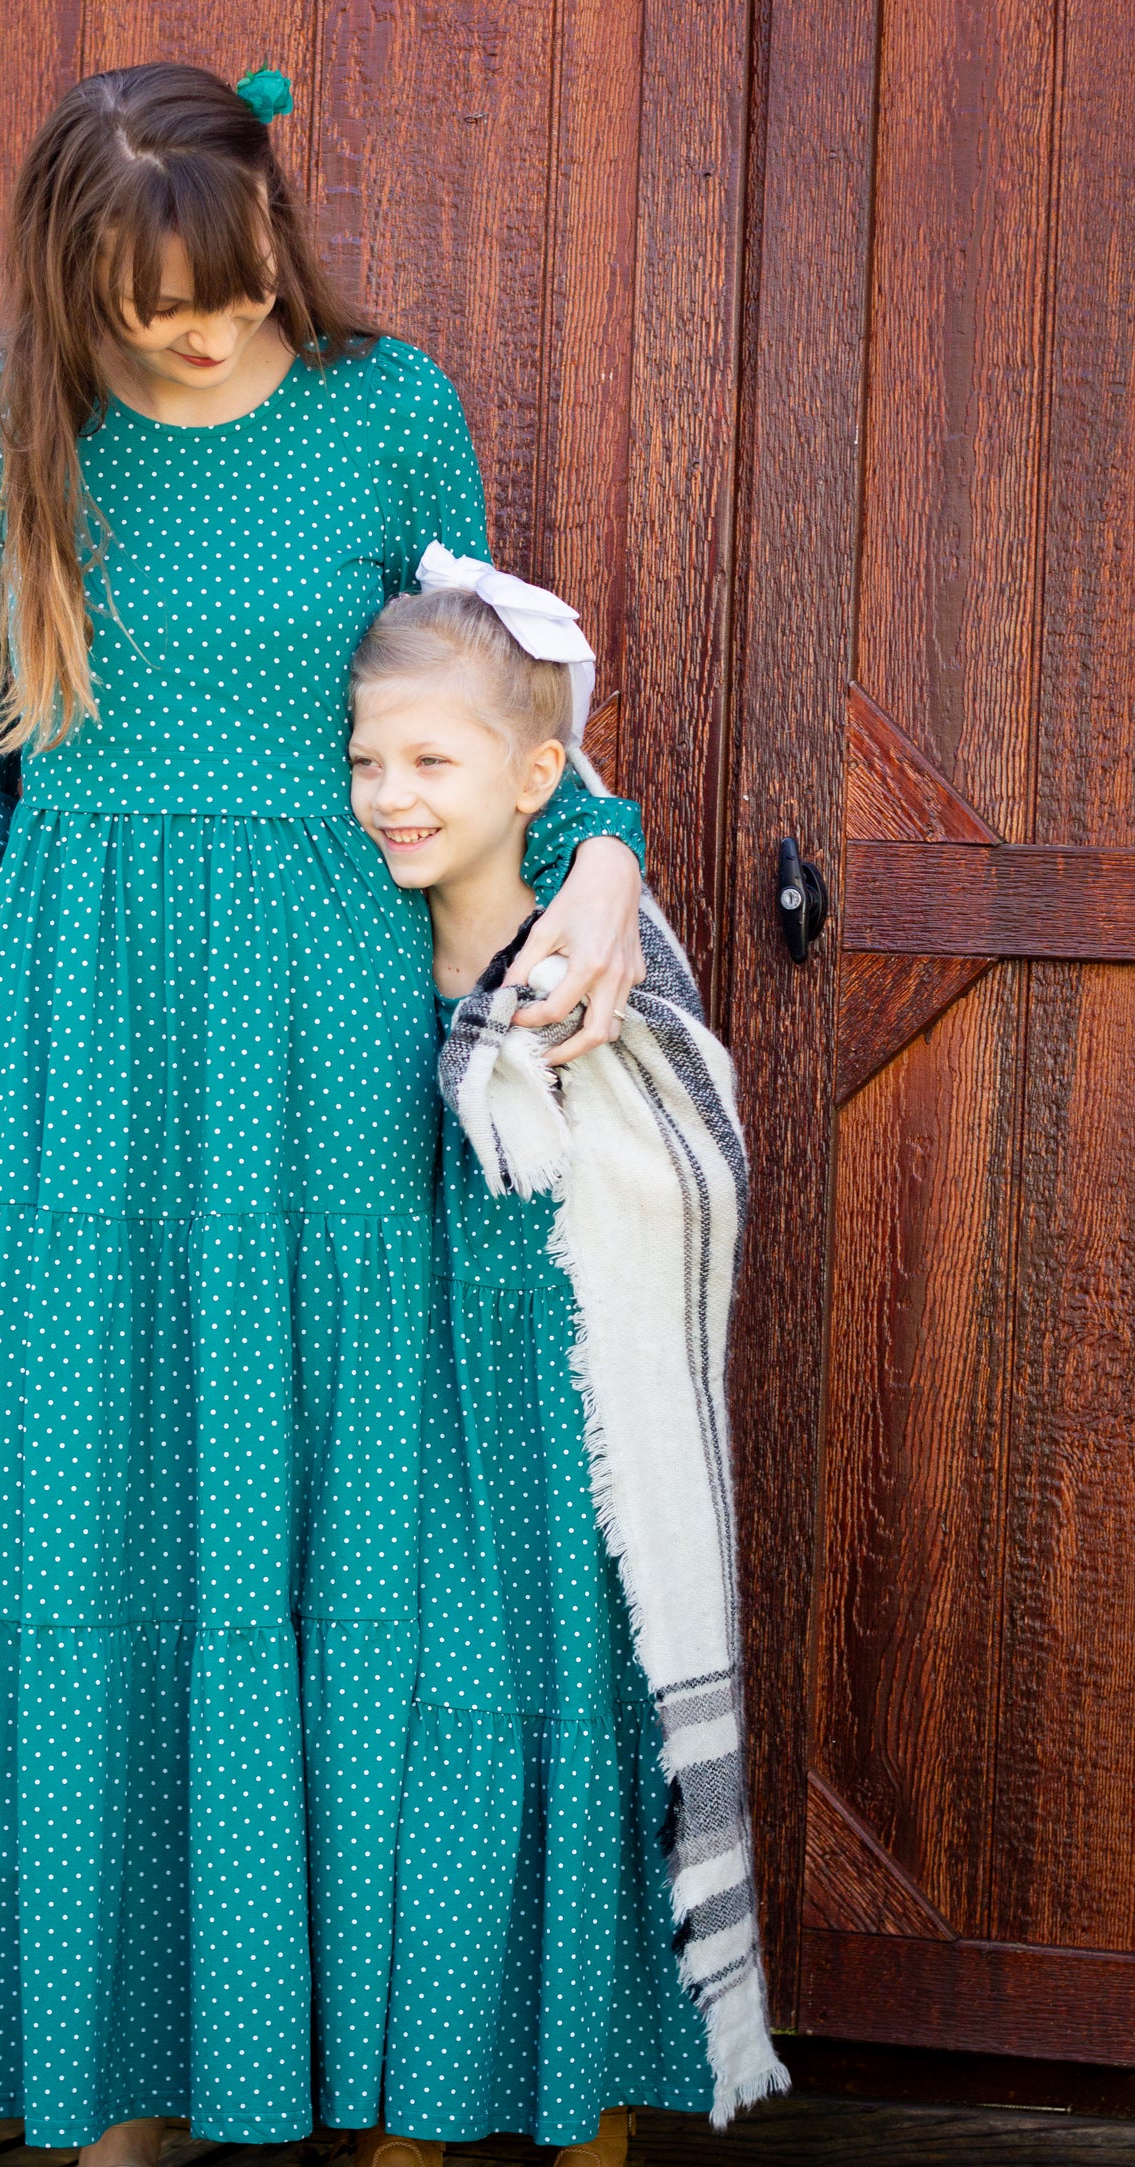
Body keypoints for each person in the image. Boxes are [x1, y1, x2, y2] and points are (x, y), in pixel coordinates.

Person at [0, 60, 648, 2167]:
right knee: (78, 1519)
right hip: (89, 1032)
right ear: (73, 275)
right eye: (156, 303)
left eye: (233, 291)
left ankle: (341, 2053)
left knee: (356, 1525)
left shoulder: (388, 402)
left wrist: (594, 846)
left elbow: (485, 682)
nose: (201, 334)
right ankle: (109, 2071)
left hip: (344, 1030)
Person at [343, 563, 787, 2159]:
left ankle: (584, 2110)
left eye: (429, 763)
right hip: (406, 1432)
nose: (389, 797)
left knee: (578, 1748)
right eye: (365, 762)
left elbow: (683, 1156)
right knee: (432, 1767)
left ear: (534, 776)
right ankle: (411, 2117)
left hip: (569, 1440)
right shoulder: (346, 944)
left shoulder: (587, 950)